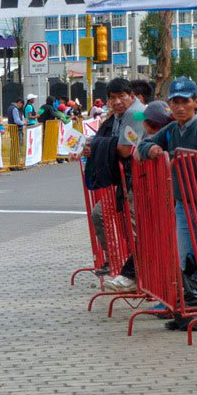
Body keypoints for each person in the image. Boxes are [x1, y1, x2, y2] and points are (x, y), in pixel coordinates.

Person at [137, 77, 197, 330]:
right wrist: (152, 151)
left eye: (185, 102)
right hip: (183, 203)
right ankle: (194, 309)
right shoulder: (171, 130)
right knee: (187, 256)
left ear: (195, 102)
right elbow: (143, 145)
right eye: (175, 102)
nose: (180, 107)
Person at [85, 78, 145, 291]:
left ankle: (136, 275)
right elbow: (114, 144)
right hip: (124, 181)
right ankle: (120, 265)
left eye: (122, 96)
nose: (118, 101)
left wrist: (99, 146)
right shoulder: (119, 115)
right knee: (101, 215)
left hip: (140, 180)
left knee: (138, 230)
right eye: (113, 98)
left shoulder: (136, 113)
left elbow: (125, 149)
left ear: (132, 95)